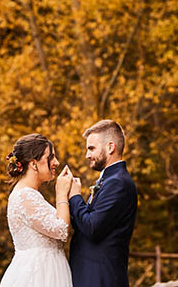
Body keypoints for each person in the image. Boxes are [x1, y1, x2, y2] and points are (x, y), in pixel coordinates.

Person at [68, 120, 138, 287]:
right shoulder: (110, 180)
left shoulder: (118, 183)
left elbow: (92, 228)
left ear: (110, 147)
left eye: (91, 148)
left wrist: (74, 197)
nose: (87, 155)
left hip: (101, 278)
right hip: (90, 275)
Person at [0, 133, 74, 287]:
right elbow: (61, 229)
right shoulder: (25, 196)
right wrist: (61, 193)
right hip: (39, 276)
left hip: (47, 270)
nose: (57, 162)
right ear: (34, 164)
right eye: (51, 157)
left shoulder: (30, 194)